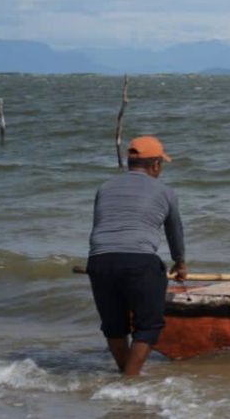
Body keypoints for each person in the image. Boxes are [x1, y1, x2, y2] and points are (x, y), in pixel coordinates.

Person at [87, 135, 187, 376]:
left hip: (99, 261)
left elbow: (101, 226)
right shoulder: (165, 191)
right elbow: (175, 232)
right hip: (139, 261)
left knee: (114, 326)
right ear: (155, 165)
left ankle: (125, 377)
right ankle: (129, 382)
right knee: (149, 326)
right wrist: (180, 263)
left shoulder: (105, 187)